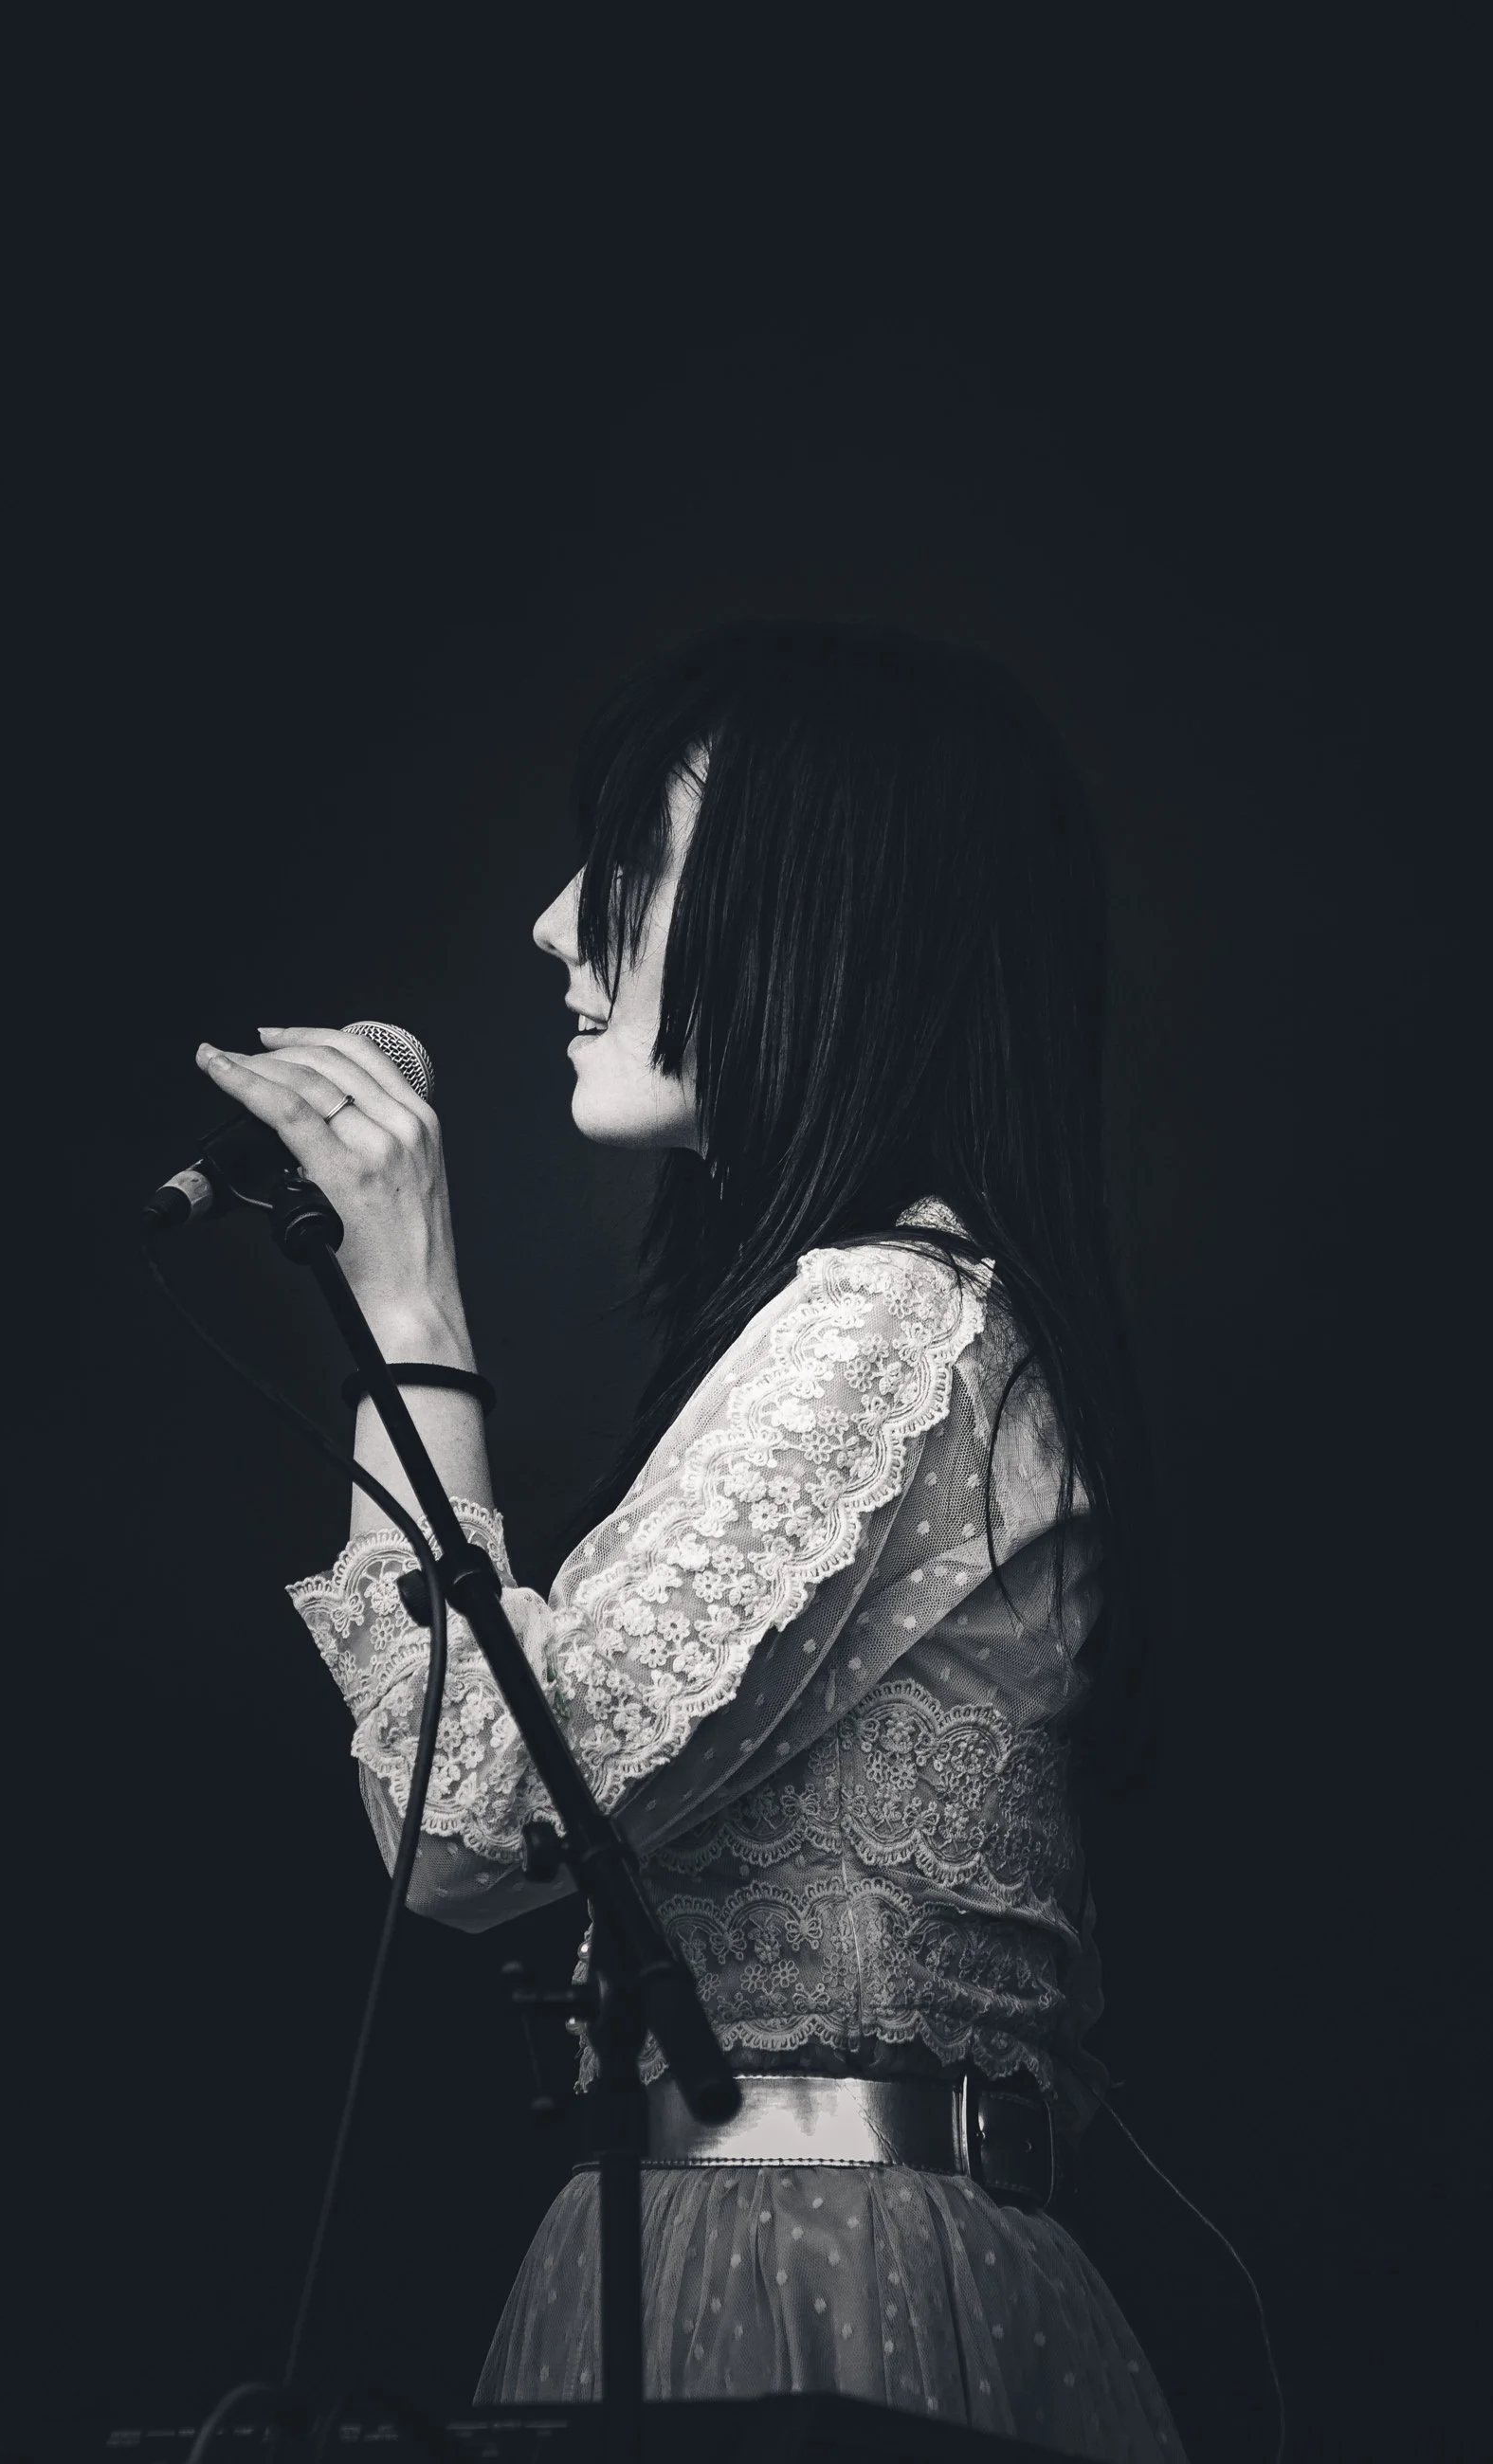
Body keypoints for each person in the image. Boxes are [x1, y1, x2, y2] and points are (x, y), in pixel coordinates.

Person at [196, 623, 1188, 2460]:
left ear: (836, 915)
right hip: (737, 2252)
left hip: (820, 2290)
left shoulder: (888, 1319)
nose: (551, 925)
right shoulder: (885, 1313)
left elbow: (471, 1816)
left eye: (629, 865)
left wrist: (407, 1294)